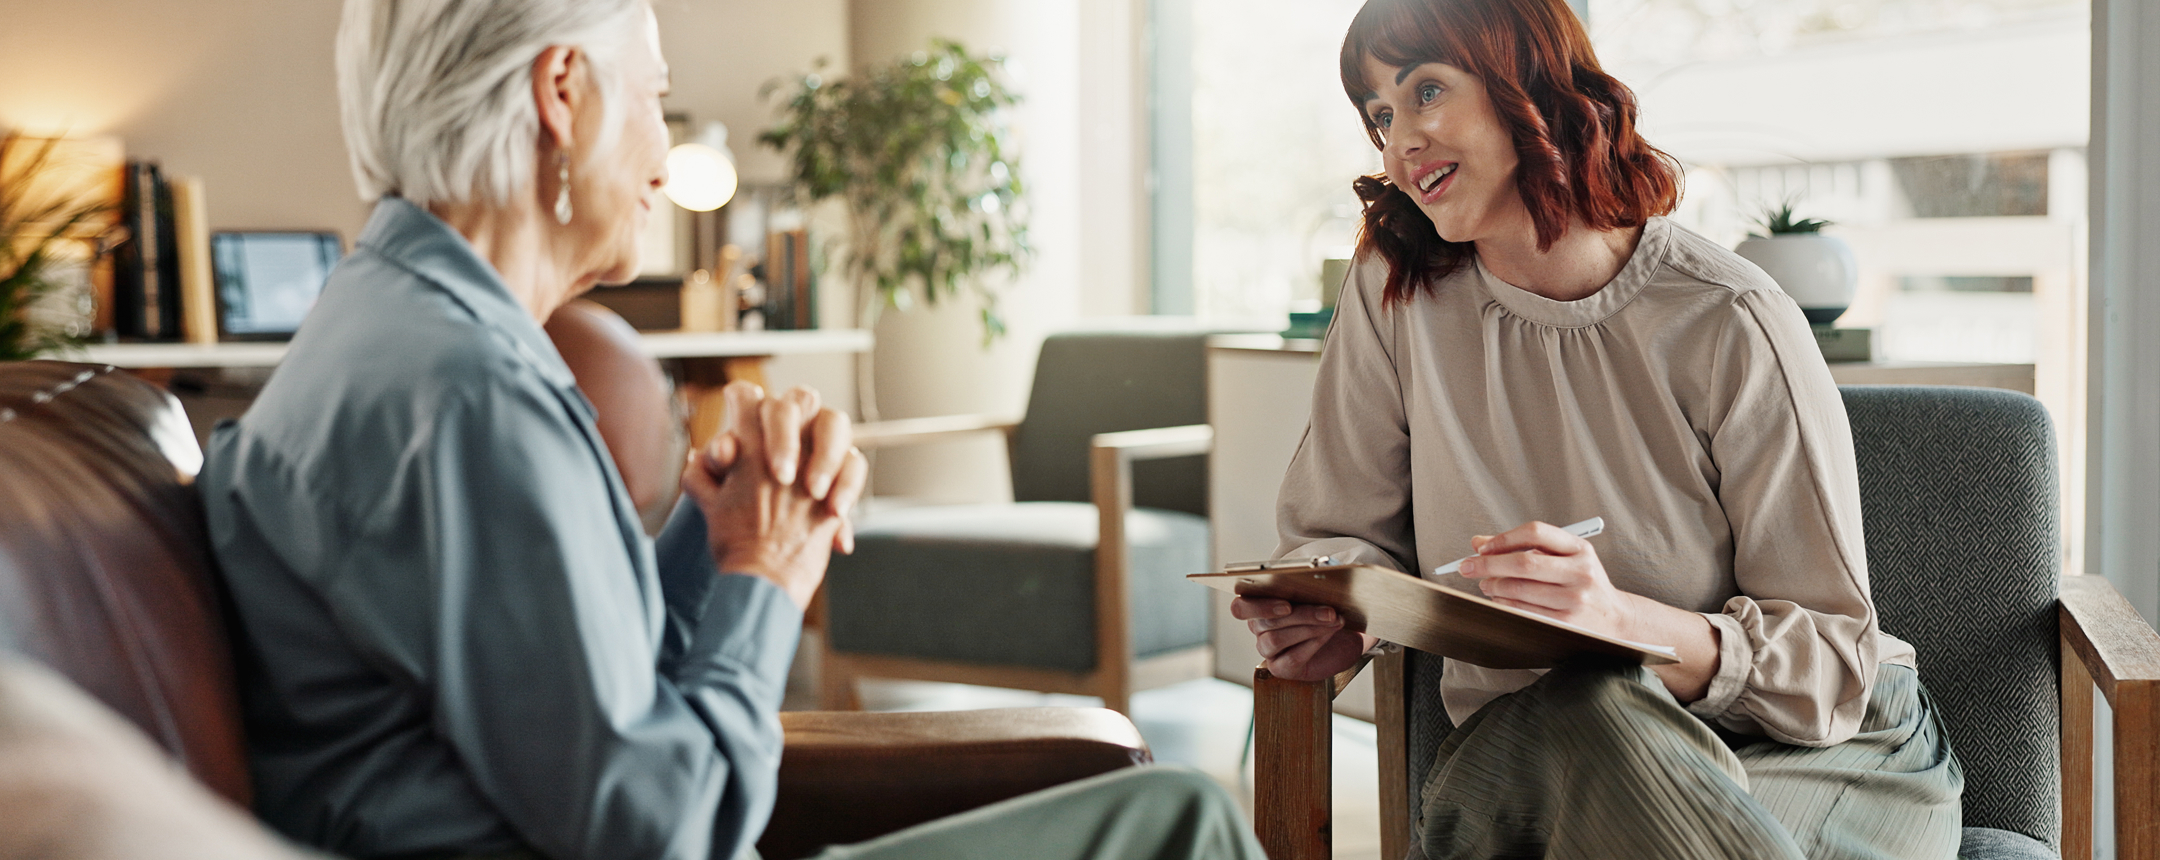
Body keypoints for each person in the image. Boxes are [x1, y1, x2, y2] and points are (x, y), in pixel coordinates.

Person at [198, 1, 1264, 859]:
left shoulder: (389, 324)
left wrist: (710, 546)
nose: (664, 157)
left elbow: (574, 696)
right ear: (562, 93)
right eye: (657, 101)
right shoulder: (469, 393)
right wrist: (766, 572)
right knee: (1183, 819)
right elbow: (664, 821)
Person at [1232, 1, 1963, 858]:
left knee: (1612, 709)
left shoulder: (1728, 317)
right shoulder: (1397, 295)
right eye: (1380, 115)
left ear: (1529, 82)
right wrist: (1335, 616)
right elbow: (1338, 535)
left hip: (1819, 755)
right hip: (1536, 749)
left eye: (1427, 89)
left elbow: (1835, 666)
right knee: (1597, 706)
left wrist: (1618, 621)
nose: (1400, 142)